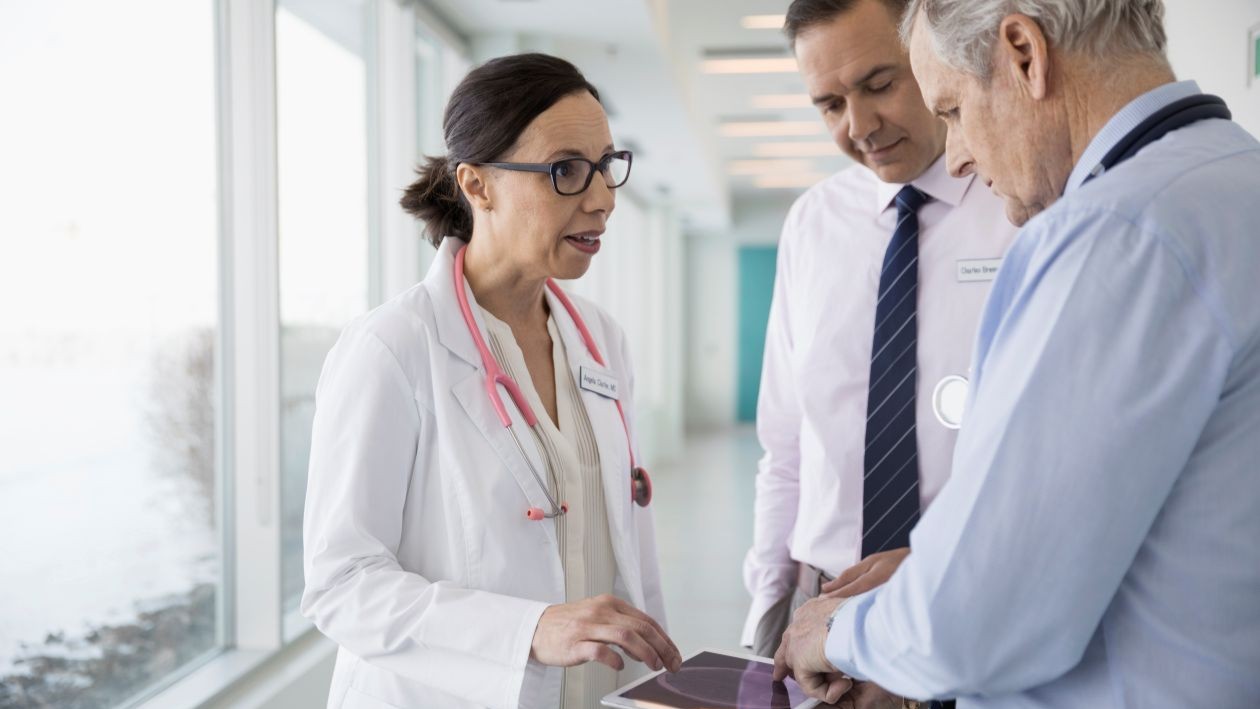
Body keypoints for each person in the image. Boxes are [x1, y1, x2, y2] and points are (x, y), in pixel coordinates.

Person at [775, 0, 1260, 706]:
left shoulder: (1109, 236)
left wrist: (836, 630)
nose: (962, 155)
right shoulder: (1232, 180)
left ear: (1024, 52)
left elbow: (972, 623)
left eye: (953, 109)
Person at [301, 53, 682, 709]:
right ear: (477, 185)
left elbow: (624, 539)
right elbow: (342, 584)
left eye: (606, 166)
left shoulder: (600, 340)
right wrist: (529, 629)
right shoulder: (393, 347)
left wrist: (659, 681)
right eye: (566, 171)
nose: (602, 199)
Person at [742, 0, 1014, 703]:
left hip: (966, 601)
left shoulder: (1019, 205)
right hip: (822, 602)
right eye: (829, 103)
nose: (857, 127)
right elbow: (784, 442)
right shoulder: (811, 225)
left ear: (931, 59)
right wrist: (769, 606)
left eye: (879, 83)